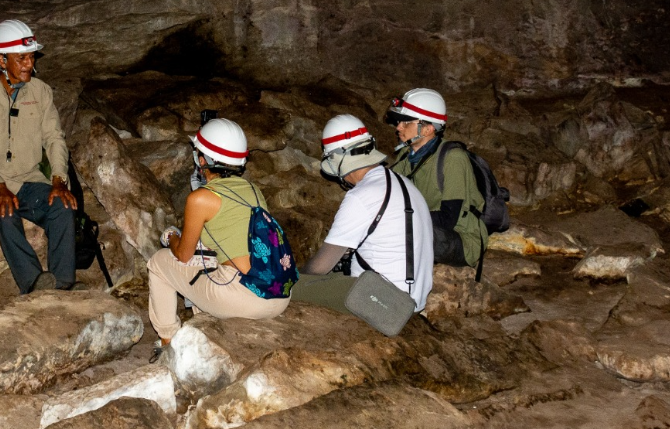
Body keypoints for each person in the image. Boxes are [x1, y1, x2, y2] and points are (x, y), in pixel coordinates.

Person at [147, 118, 291, 359]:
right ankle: (205, 326)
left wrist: (171, 236)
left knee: (160, 262)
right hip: (278, 295)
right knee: (208, 261)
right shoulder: (253, 190)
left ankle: (168, 340)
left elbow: (183, 254)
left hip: (241, 299)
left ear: (202, 160)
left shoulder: (200, 199)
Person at [0, 19, 79, 293]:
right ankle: (34, 285)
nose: (29, 64)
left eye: (31, 56)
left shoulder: (41, 92)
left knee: (63, 206)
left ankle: (62, 284)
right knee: (5, 213)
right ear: (2, 60)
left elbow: (54, 139)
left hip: (27, 180)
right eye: (21, 58)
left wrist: (59, 180)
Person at [291, 114, 434, 313]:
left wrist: (293, 278)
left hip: (385, 304)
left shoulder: (361, 195)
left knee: (289, 289)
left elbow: (319, 268)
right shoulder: (405, 184)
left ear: (336, 160)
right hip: (414, 301)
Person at [386, 88, 487, 268]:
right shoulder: (405, 155)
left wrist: (401, 218)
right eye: (400, 121)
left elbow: (449, 218)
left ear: (427, 129)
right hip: (429, 228)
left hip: (462, 238)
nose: (398, 127)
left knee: (401, 232)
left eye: (406, 122)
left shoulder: (453, 158)